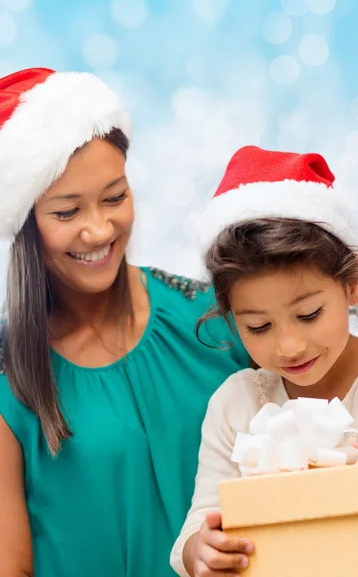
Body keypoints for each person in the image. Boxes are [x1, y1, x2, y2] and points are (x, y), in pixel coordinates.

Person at [0, 67, 250, 577]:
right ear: (24, 225)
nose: (99, 229)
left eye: (114, 197)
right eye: (67, 212)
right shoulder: (9, 381)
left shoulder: (212, 319)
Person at [170, 146, 358, 577]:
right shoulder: (237, 406)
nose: (289, 347)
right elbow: (198, 527)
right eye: (258, 326)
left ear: (351, 286)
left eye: (309, 315)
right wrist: (201, 549)